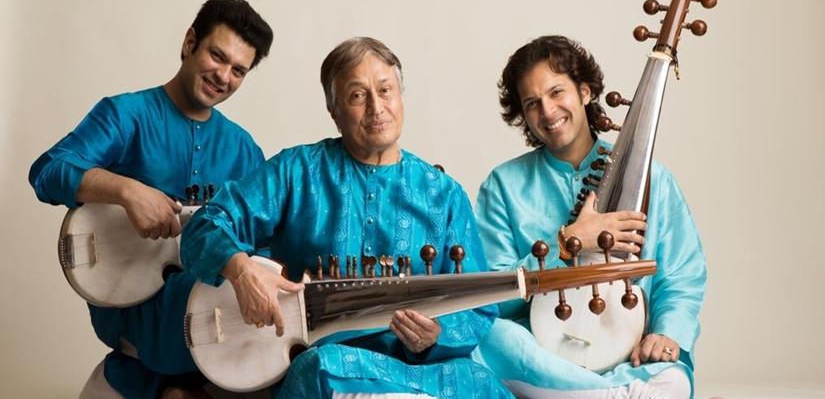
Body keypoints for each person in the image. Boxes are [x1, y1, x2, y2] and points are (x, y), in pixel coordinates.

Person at [181, 37, 513, 399]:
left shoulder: (443, 194)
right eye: (357, 95)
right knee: (322, 367)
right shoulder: (298, 172)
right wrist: (241, 272)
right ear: (334, 110)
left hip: (417, 369)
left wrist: (437, 335)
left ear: (401, 97)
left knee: (481, 384)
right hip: (330, 367)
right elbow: (206, 224)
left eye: (386, 90)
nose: (377, 108)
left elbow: (479, 308)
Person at [29, 0, 274, 398]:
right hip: (134, 316)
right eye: (217, 55)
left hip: (213, 330)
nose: (223, 76)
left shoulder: (243, 149)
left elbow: (263, 238)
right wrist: (125, 190)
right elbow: (47, 171)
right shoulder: (126, 115)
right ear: (189, 42)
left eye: (238, 70)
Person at [470, 35, 706, 398]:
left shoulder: (650, 179)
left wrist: (667, 334)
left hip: (631, 354)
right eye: (532, 103)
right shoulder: (503, 185)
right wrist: (567, 243)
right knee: (491, 338)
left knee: (672, 377)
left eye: (556, 93)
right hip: (540, 354)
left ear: (585, 91)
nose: (547, 112)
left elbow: (681, 275)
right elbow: (494, 296)